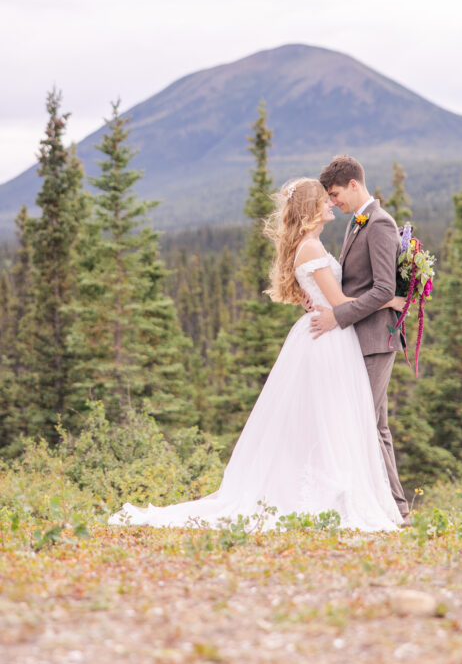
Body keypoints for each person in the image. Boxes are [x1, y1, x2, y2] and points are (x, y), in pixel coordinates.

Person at [108, 178, 404, 531]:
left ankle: (342, 489)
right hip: (327, 338)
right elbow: (338, 304)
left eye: (332, 198)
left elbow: (326, 294)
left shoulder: (314, 245)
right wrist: (389, 299)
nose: (330, 205)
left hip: (331, 334)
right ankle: (333, 493)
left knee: (331, 420)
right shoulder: (310, 248)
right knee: (331, 420)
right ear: (311, 208)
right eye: (324, 201)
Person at [310, 155, 410, 523]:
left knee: (368, 423)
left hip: (375, 336)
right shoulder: (357, 222)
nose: (333, 201)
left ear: (354, 184)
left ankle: (394, 509)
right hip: (359, 336)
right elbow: (358, 284)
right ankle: (394, 508)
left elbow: (384, 287)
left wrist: (336, 315)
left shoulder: (380, 224)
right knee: (373, 423)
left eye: (335, 194)